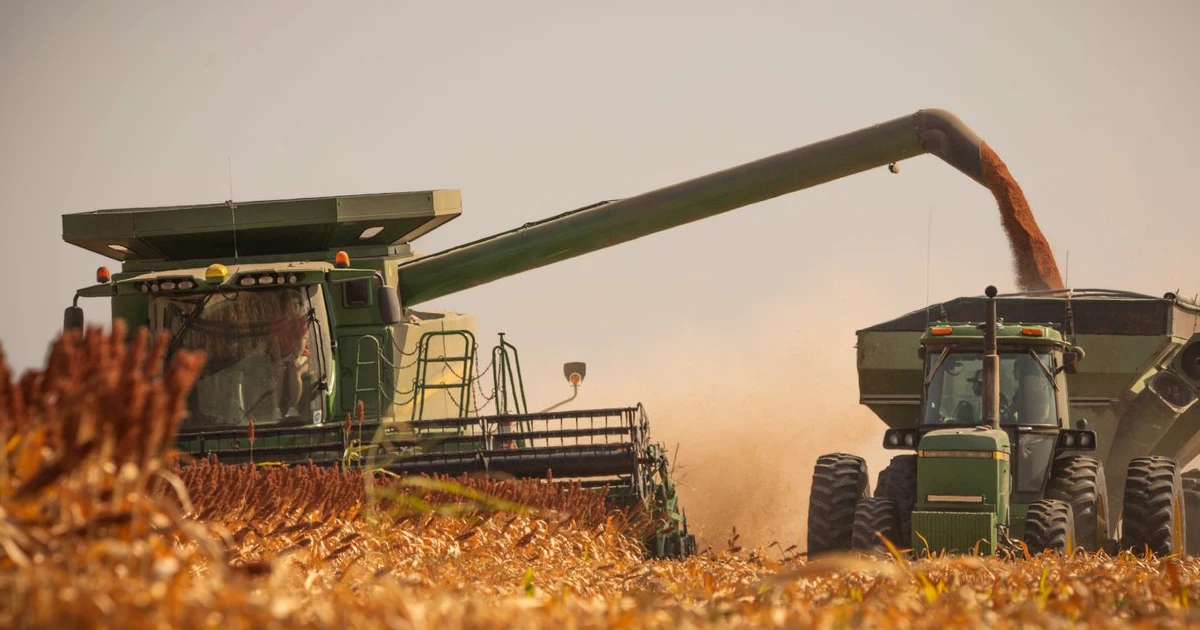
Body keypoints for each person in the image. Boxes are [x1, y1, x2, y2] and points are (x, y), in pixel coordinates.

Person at [268, 290, 311, 420]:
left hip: (303, 356)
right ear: (285, 307)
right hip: (283, 356)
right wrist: (278, 360)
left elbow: (302, 340)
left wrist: (296, 357)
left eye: (297, 304)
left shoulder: (303, 320)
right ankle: (275, 409)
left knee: (295, 368)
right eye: (291, 304)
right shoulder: (277, 323)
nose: (295, 307)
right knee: (278, 370)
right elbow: (275, 344)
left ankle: (294, 408)